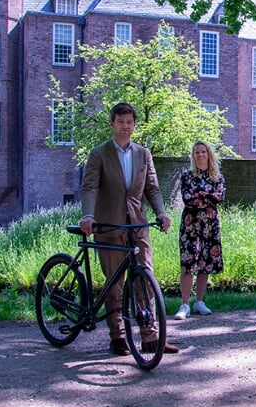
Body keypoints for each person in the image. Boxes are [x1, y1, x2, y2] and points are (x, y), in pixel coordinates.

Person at [79, 102, 179, 355]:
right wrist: (88, 215)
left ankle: (150, 337)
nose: (125, 126)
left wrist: (161, 213)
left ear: (135, 125)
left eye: (129, 122)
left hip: (137, 226)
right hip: (110, 225)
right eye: (120, 122)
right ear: (112, 123)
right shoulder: (99, 154)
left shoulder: (143, 154)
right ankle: (118, 336)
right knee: (115, 284)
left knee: (145, 279)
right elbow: (90, 187)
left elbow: (152, 188)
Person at [173, 141, 225, 320]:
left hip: (210, 225)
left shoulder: (217, 177)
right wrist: (208, 197)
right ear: (193, 156)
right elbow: (188, 199)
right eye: (197, 153)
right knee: (188, 264)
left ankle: (199, 301)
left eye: (203, 152)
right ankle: (185, 304)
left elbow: (220, 197)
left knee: (205, 263)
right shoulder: (187, 176)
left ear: (209, 154)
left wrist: (203, 196)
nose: (200, 155)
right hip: (190, 225)